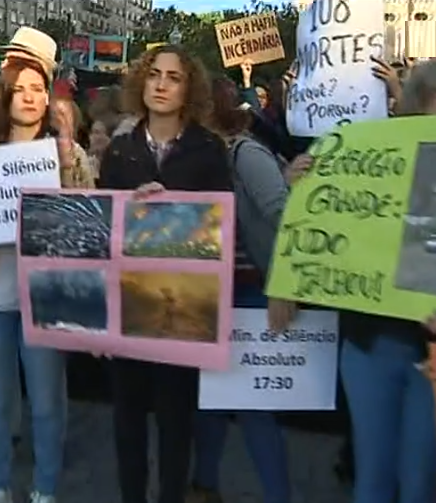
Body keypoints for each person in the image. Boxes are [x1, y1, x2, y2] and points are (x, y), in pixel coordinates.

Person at [0, 58, 93, 503]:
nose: (30, 96)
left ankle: (44, 487)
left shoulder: (69, 154)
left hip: (46, 300)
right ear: (5, 97)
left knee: (46, 403)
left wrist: (66, 169)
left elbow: (89, 226)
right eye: (20, 88)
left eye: (38, 88)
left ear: (48, 98)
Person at [331, 57, 436, 503]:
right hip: (371, 341)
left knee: (420, 484)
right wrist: (303, 180)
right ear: (419, 97)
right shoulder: (373, 153)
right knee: (372, 479)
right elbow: (339, 228)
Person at [96, 44, 232, 503]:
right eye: (154, 74)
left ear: (189, 87)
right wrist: (131, 209)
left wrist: (170, 213)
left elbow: (221, 231)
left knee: (176, 424)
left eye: (173, 77)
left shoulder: (209, 151)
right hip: (128, 307)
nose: (161, 84)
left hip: (181, 310)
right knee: (127, 422)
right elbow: (101, 229)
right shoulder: (119, 150)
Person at [188, 76, 309, 503]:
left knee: (253, 406)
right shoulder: (196, 155)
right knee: (210, 403)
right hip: (209, 297)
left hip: (251, 295)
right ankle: (204, 486)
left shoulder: (244, 153)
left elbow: (284, 219)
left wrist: (284, 285)